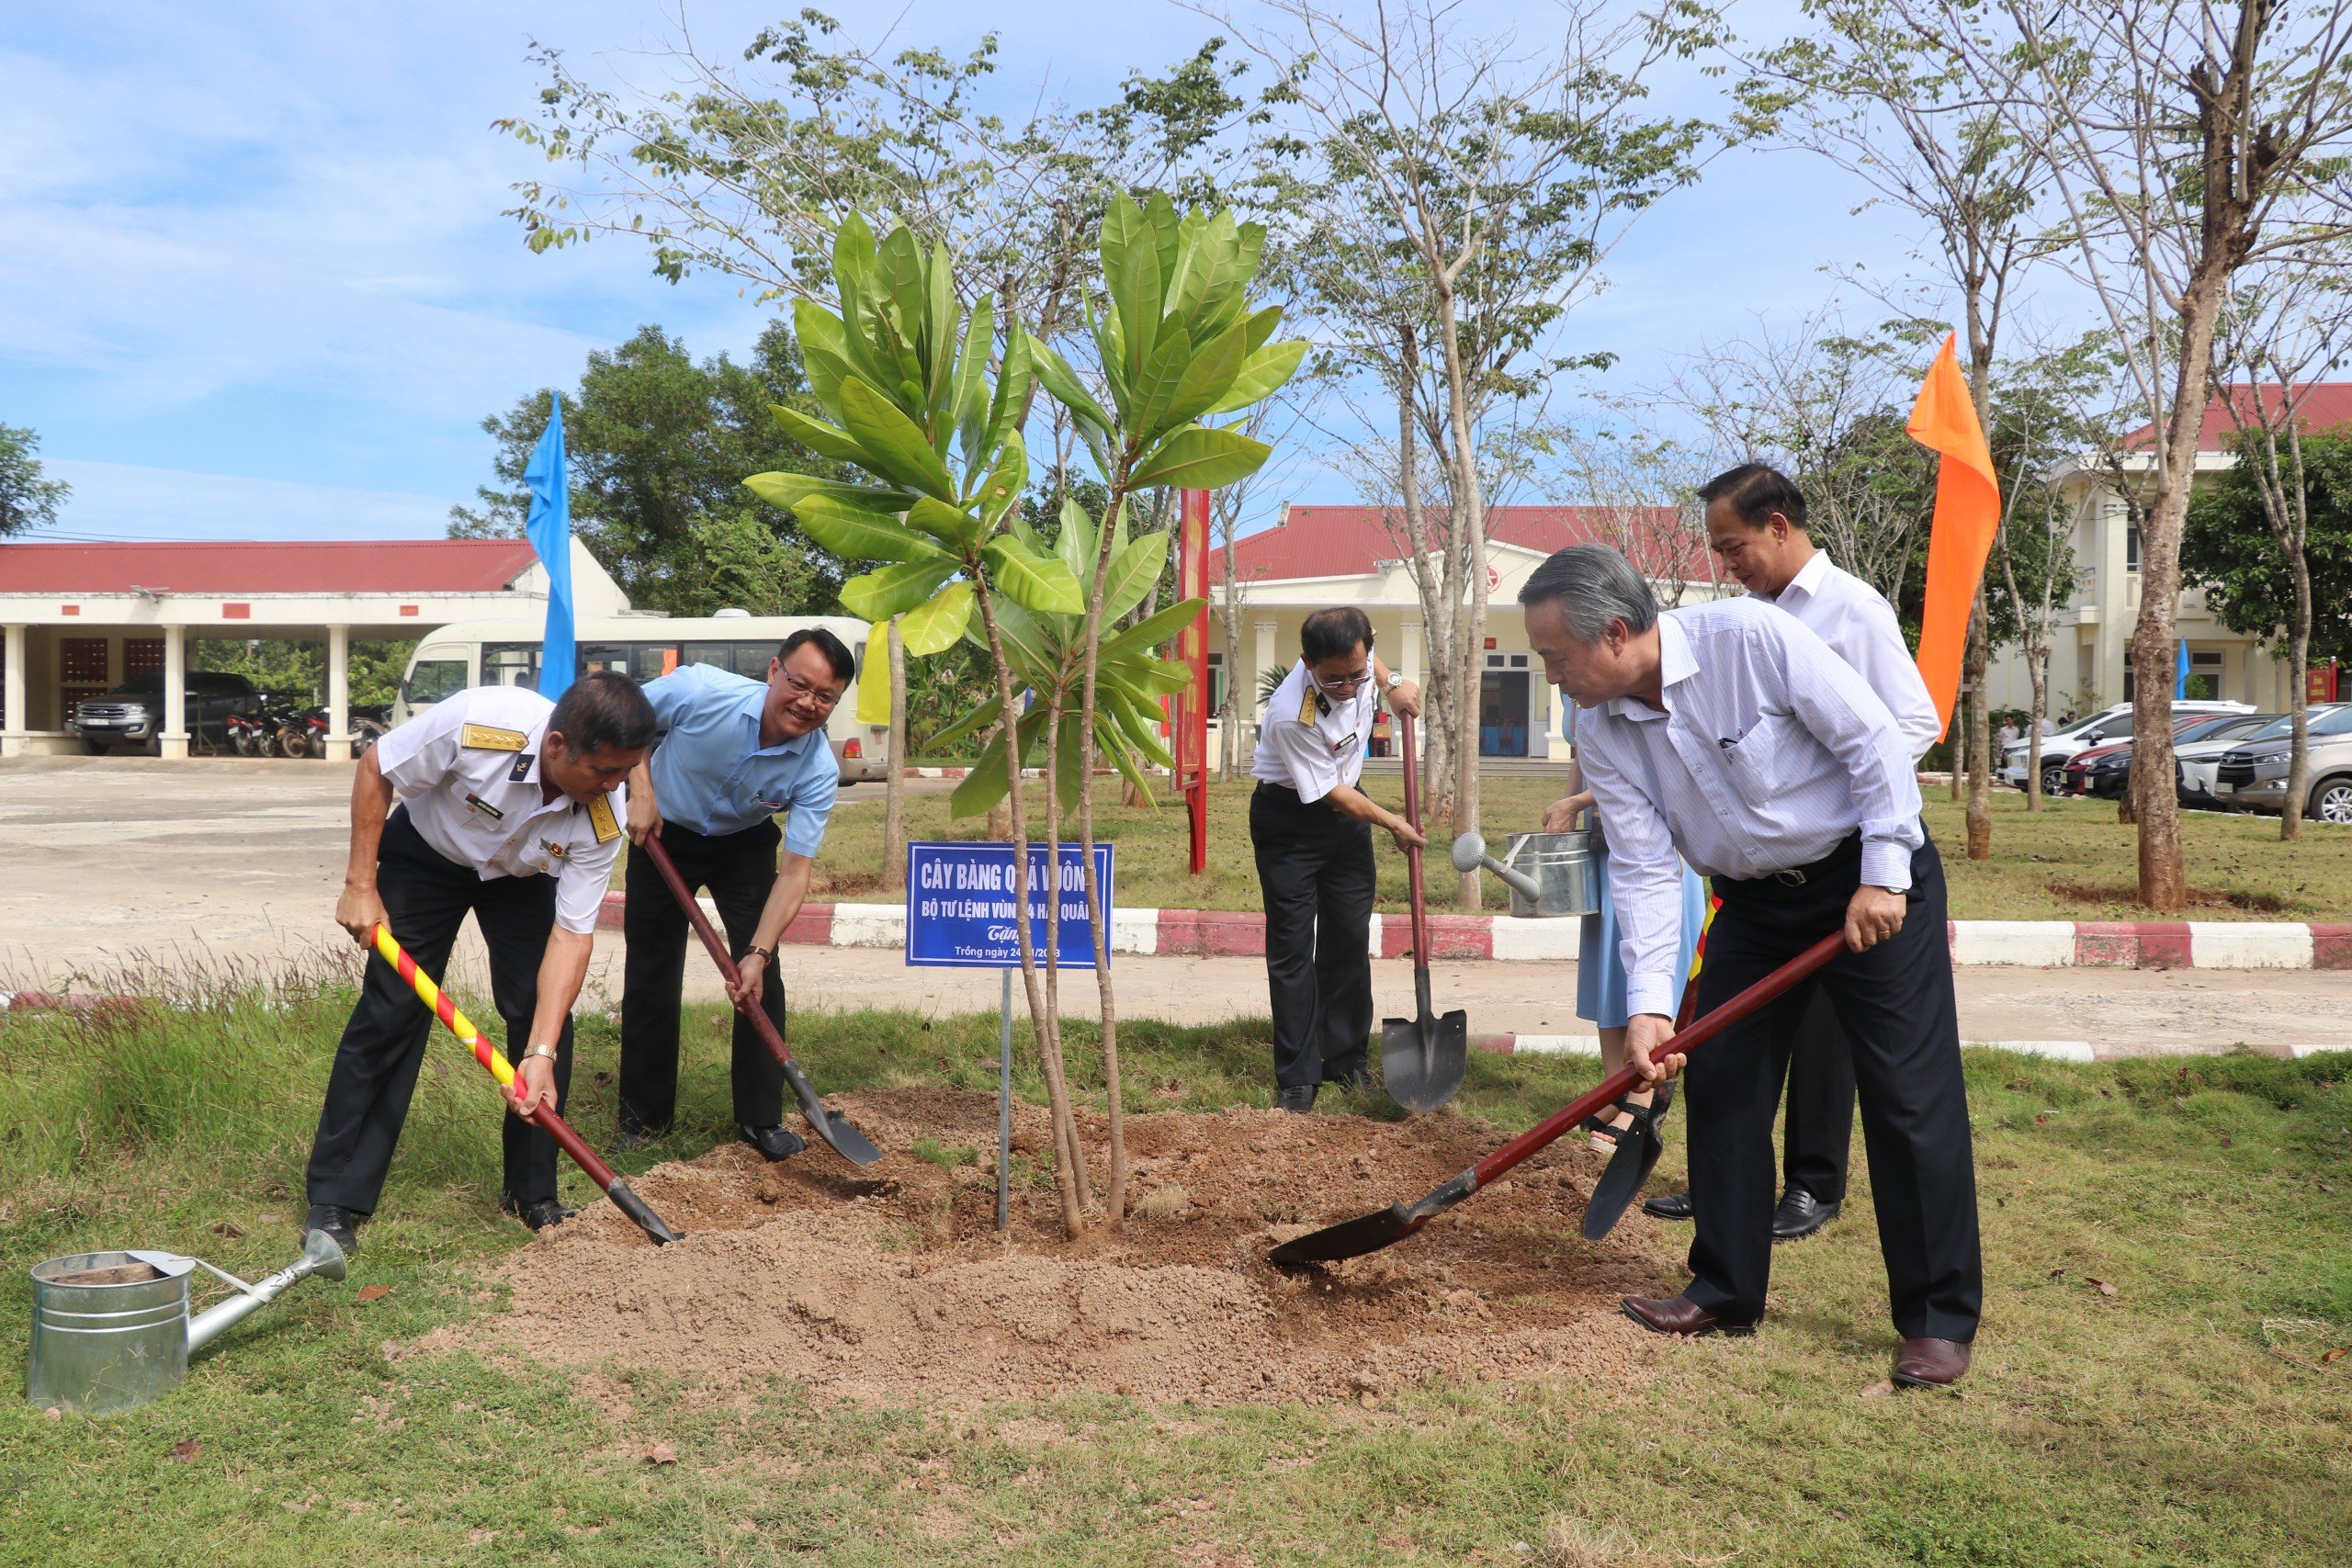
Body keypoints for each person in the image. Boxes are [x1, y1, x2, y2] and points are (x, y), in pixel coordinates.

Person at [1521, 543, 1981, 1389]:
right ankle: (1727, 1287)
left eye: (1555, 656)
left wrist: (1884, 871)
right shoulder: (1601, 727)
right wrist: (1653, 1005)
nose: (1553, 676)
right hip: (1754, 905)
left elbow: (1874, 739)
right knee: (1725, 1079)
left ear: (1615, 633)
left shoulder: (1751, 639)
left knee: (1908, 1101)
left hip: (1865, 881)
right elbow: (1648, 867)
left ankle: (1937, 1317)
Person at [1636, 463, 1943, 1241]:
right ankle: (1725, 1190)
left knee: (1826, 1032)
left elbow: (1910, 723)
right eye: (1717, 550)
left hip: (1850, 854)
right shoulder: (1741, 622)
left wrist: (1831, 790)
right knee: (1733, 1036)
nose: (1726, 563)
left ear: (1779, 524)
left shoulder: (1851, 609)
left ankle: (1814, 1183)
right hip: (1764, 871)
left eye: (1733, 545)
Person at [304, 671, 657, 1253]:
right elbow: (377, 767)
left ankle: (532, 1192)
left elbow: (571, 936)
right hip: (427, 856)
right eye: (603, 772)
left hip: (520, 881)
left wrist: (538, 1055)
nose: (615, 786)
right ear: (556, 745)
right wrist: (360, 883)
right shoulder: (479, 724)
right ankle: (336, 1197)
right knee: (391, 1013)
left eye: (626, 773)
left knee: (547, 1018)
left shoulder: (605, 812)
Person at [618, 629, 856, 1160]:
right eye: (801, 685)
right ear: (774, 671)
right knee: (653, 974)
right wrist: (641, 789)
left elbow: (795, 874)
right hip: (662, 831)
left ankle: (760, 1119)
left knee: (760, 980)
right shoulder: (702, 691)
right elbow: (626, 718)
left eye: (825, 698)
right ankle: (643, 1118)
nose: (808, 703)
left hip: (743, 845)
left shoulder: (816, 768)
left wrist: (758, 951)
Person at [1250, 606, 1422, 1112]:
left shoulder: (1362, 665)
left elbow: (1373, 667)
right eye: (1334, 680)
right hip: (1292, 822)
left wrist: (1393, 682)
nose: (1348, 688)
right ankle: (1299, 1076)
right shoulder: (1291, 713)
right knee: (1293, 950)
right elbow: (1329, 793)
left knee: (1348, 940)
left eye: (1357, 675)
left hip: (1349, 816)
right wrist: (1392, 823)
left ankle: (1347, 1062)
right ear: (1307, 663)